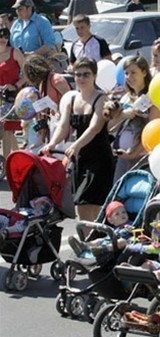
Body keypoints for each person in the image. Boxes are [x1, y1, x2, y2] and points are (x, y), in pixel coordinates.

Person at [41, 58, 115, 222]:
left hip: (99, 158)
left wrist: (75, 145)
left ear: (94, 75)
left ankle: (97, 241)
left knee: (95, 205)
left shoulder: (101, 99)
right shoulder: (70, 98)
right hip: (80, 159)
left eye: (86, 74)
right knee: (80, 204)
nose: (81, 78)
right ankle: (86, 242)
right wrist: (52, 143)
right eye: (78, 75)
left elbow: (95, 127)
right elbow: (63, 126)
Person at [105, 55, 160, 182]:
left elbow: (154, 132)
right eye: (126, 73)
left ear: (144, 72)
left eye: (133, 73)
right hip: (122, 157)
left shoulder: (152, 98)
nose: (129, 77)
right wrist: (123, 115)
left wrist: (135, 153)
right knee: (118, 195)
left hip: (143, 158)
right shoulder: (125, 98)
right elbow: (110, 127)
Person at [22, 55, 70, 152]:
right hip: (53, 122)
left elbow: (70, 99)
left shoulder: (56, 80)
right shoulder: (42, 83)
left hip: (63, 121)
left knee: (59, 153)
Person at [66, 201, 133, 257]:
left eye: (124, 212)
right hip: (108, 240)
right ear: (111, 221)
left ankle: (102, 249)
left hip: (123, 242)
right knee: (98, 240)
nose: (122, 215)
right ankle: (84, 246)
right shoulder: (113, 227)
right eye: (117, 214)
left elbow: (137, 230)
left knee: (122, 242)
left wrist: (132, 230)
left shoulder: (130, 223)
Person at [0, 27, 26, 159]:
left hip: (13, 95)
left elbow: (27, 73)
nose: (3, 39)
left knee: (7, 128)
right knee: (8, 131)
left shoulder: (14, 52)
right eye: (0, 36)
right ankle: (18, 156)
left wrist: (15, 85)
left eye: (5, 36)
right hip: (0, 96)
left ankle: (5, 164)